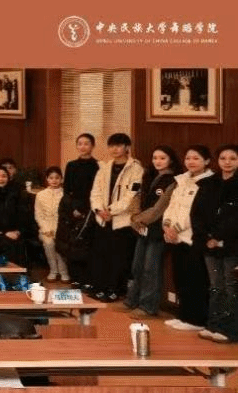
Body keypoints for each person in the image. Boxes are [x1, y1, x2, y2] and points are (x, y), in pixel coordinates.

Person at [156, 145, 213, 331]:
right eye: (188, 158)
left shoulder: (209, 183)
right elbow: (171, 206)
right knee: (180, 278)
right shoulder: (181, 180)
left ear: (206, 161)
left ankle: (196, 320)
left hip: (192, 237)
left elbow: (198, 213)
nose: (191, 162)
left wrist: (176, 229)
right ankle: (184, 315)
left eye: (196, 158)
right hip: (174, 237)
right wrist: (167, 226)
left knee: (195, 280)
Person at [124, 146, 180, 319]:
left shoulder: (173, 180)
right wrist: (134, 217)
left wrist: (139, 219)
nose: (158, 161)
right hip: (142, 228)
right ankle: (132, 300)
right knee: (137, 266)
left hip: (157, 230)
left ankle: (148, 307)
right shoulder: (148, 176)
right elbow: (136, 198)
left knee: (151, 269)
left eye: (162, 158)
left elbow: (159, 208)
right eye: (155, 157)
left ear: (171, 160)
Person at [88, 133, 144, 302]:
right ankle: (100, 287)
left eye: (119, 145)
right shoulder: (104, 167)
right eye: (111, 146)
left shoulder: (136, 169)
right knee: (102, 256)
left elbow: (131, 196)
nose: (114, 149)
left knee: (119, 257)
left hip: (122, 221)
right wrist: (99, 210)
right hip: (102, 219)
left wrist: (111, 211)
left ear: (127, 147)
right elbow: (95, 192)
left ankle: (115, 290)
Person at [199, 145, 238, 343]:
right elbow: (197, 213)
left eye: (233, 158)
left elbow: (233, 219)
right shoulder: (208, 183)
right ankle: (213, 325)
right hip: (209, 243)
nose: (227, 162)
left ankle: (230, 330)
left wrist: (220, 237)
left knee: (231, 288)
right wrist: (207, 237)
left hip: (232, 244)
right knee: (215, 286)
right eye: (223, 158)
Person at [64, 133, 100, 287]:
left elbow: (98, 190)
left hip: (92, 209)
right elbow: (67, 190)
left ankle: (88, 280)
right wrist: (73, 208)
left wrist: (90, 209)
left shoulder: (99, 166)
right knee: (74, 244)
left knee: (89, 245)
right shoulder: (71, 165)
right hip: (74, 209)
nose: (83, 146)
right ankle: (75, 278)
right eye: (80, 143)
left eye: (86, 143)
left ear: (93, 146)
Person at [34, 167, 69, 281]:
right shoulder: (40, 195)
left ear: (61, 179)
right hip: (46, 227)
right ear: (47, 179)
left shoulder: (65, 194)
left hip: (62, 227)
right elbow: (38, 214)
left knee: (60, 245)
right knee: (49, 243)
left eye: (57, 178)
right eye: (51, 178)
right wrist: (45, 228)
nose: (54, 180)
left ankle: (63, 272)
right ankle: (53, 270)